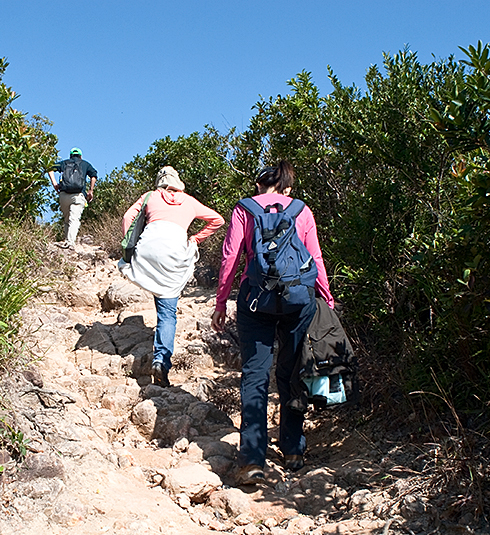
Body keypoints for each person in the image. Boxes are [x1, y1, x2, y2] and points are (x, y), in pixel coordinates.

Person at [211, 161, 334, 485]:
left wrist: (221, 301)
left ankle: (252, 458)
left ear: (259, 185)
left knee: (255, 375)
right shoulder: (301, 210)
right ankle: (293, 450)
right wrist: (328, 298)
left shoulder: (245, 209)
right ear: (287, 187)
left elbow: (230, 257)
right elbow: (315, 256)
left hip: (256, 301)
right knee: (293, 372)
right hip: (299, 301)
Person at [120, 166, 225, 387]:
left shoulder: (150, 196)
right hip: (174, 252)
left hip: (149, 248)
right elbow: (218, 220)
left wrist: (130, 243)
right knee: (167, 312)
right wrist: (196, 238)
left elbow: (128, 215)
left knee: (152, 284)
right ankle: (161, 361)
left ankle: (160, 356)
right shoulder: (189, 201)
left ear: (160, 182)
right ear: (178, 183)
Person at [48, 148, 97, 248]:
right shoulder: (85, 164)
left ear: (70, 156)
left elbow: (49, 168)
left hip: (64, 195)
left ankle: (67, 240)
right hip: (78, 195)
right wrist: (91, 191)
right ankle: (70, 243)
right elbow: (94, 175)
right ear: (80, 156)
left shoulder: (64, 163)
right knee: (74, 219)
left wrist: (54, 184)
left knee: (67, 219)